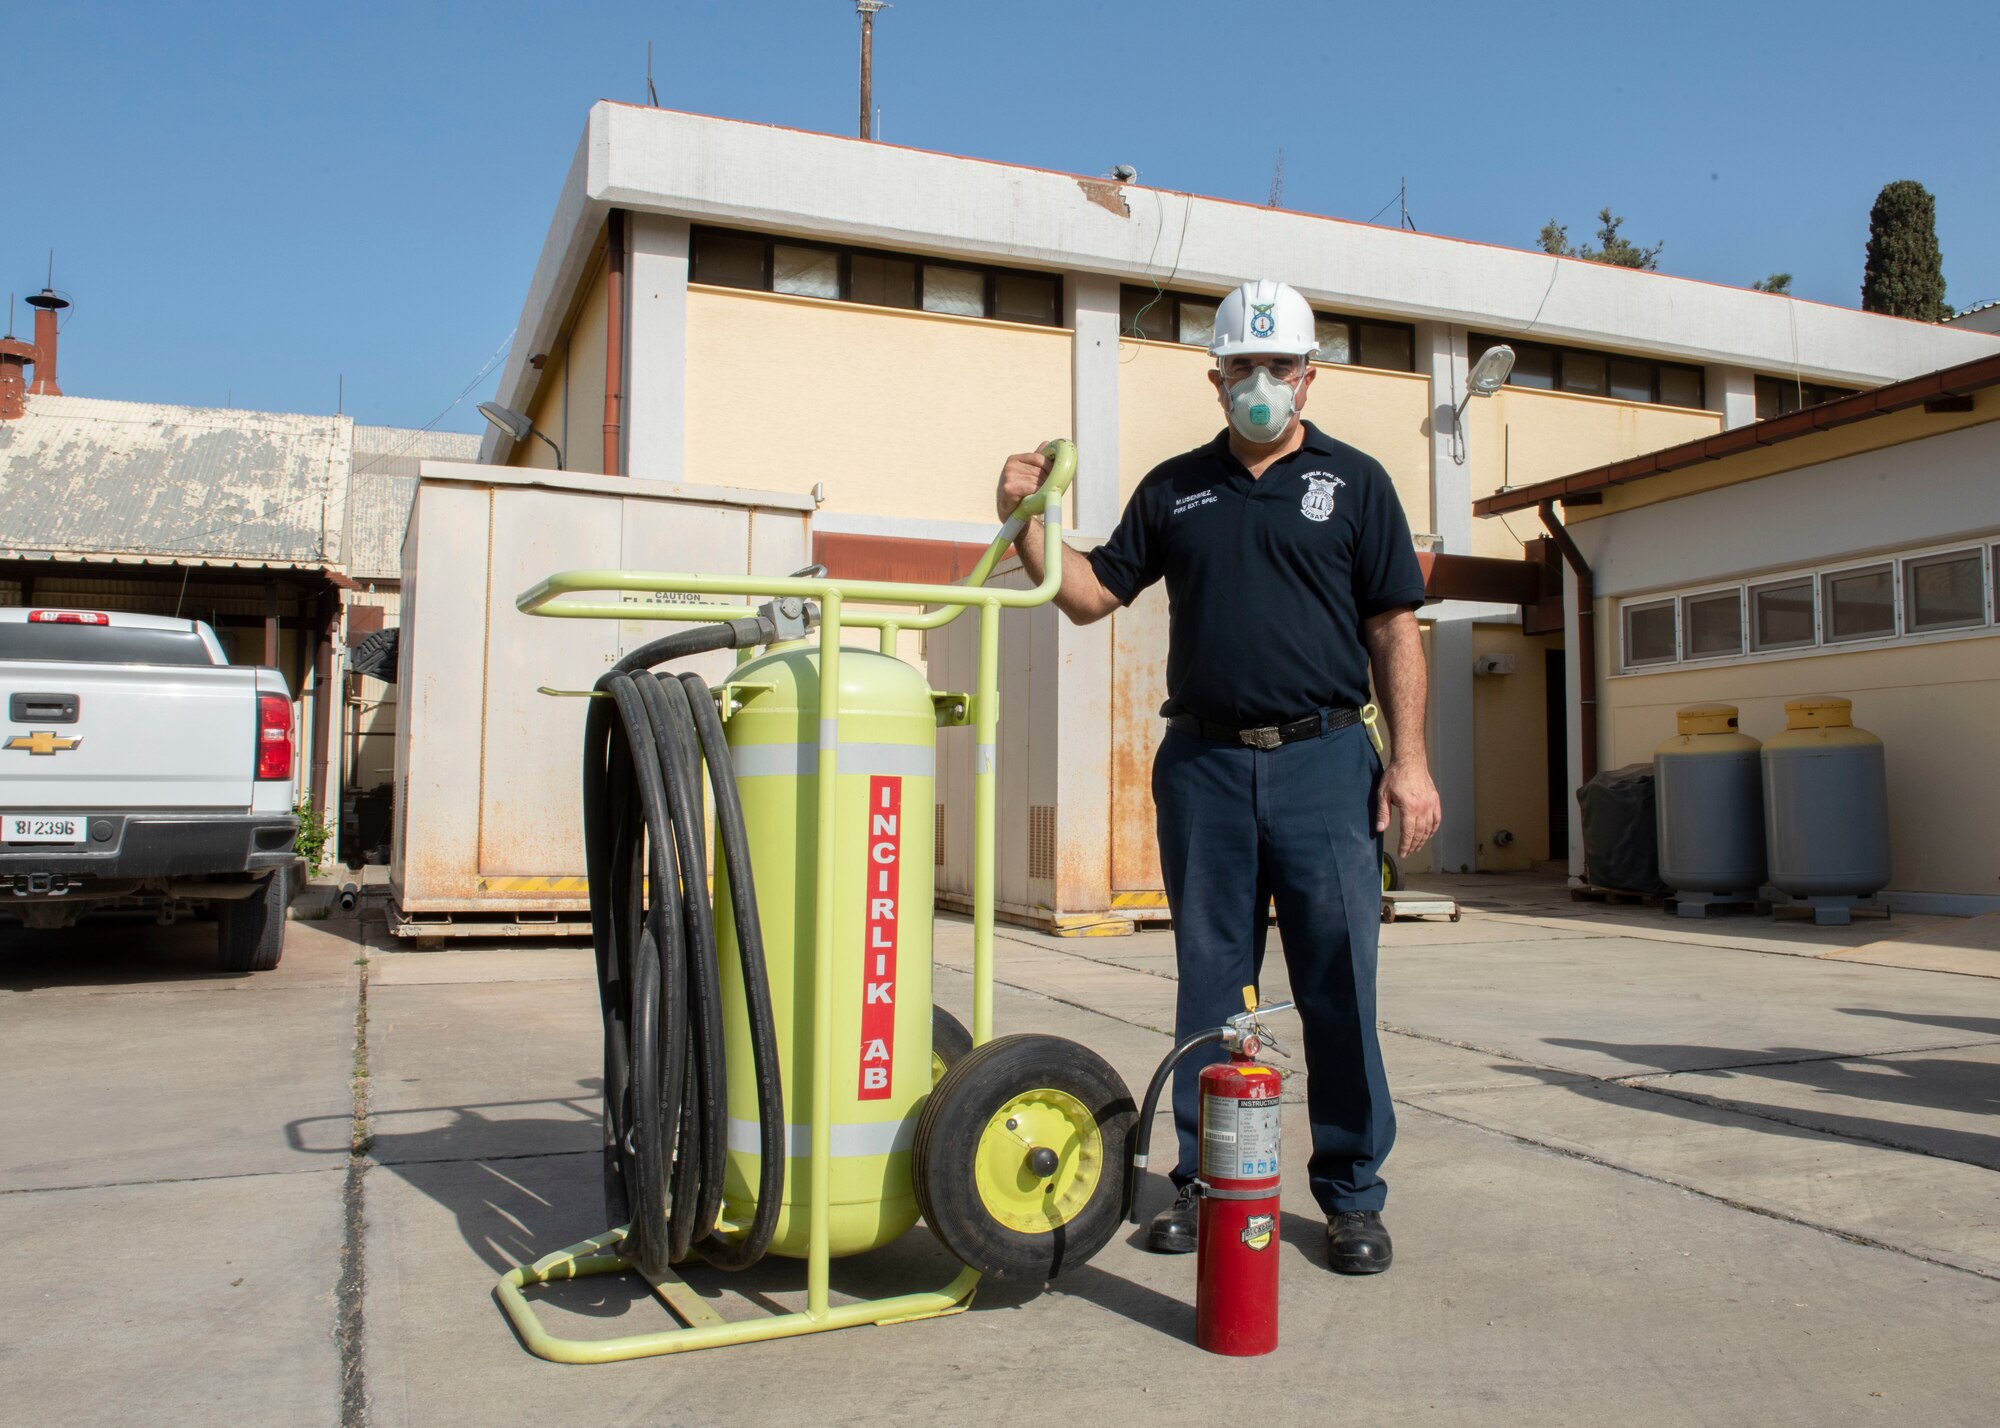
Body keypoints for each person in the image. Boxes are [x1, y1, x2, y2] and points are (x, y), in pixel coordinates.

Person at [994, 278, 1440, 1273]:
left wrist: (1406, 764)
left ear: (1308, 378)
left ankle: (1350, 1193)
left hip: (1325, 762)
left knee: (1337, 987)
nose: (1261, 384)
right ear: (1215, 378)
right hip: (1201, 764)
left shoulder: (1355, 482)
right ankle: (1210, 1182)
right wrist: (1023, 518)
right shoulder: (1173, 488)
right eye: (1243, 366)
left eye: (1279, 367)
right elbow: (1086, 593)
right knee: (1213, 992)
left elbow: (1392, 627)